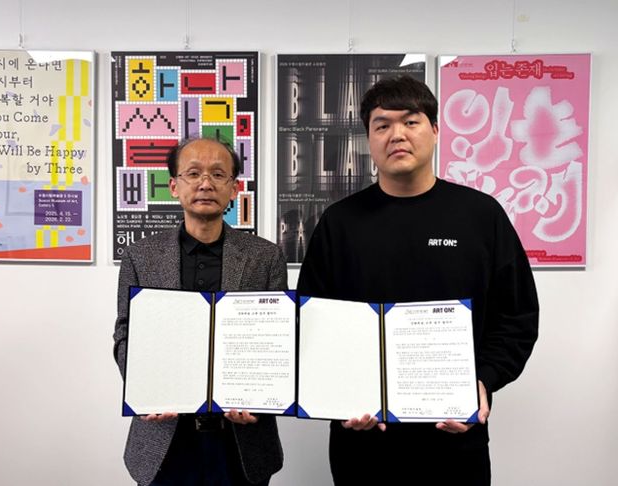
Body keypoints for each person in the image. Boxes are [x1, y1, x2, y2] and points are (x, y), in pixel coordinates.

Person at [297, 76, 539, 485]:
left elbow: (516, 317)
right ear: (369, 140)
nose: (397, 135)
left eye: (411, 122)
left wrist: (483, 381)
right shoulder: (340, 223)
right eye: (382, 125)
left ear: (436, 130)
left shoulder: (481, 216)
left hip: (455, 439)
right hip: (364, 443)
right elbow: (312, 322)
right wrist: (338, 393)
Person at [113, 137, 286, 486]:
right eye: (193, 173)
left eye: (218, 174)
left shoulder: (265, 257)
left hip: (241, 439)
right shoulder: (141, 256)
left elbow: (279, 340)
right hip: (165, 437)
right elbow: (125, 335)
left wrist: (259, 400)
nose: (205, 183)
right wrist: (146, 391)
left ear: (234, 188)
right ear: (174, 186)